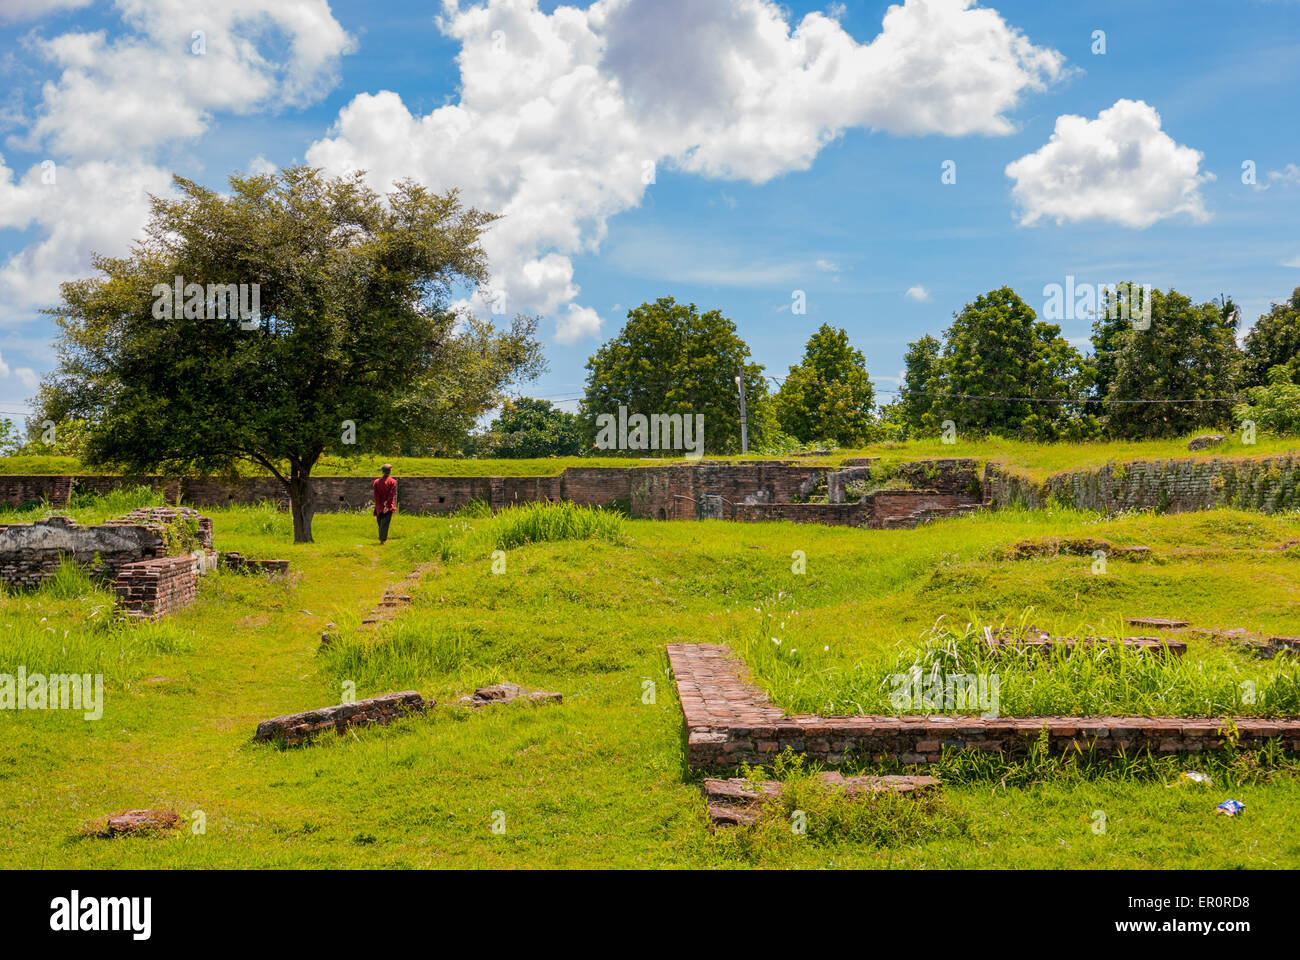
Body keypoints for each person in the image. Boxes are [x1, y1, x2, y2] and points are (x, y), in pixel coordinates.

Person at [373, 464, 397, 544]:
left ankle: (382, 539)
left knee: (380, 522)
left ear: (382, 471)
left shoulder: (376, 482)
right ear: (390, 471)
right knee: (385, 523)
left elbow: (376, 495)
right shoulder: (393, 482)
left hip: (379, 505)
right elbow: (391, 494)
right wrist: (387, 505)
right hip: (388, 506)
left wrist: (378, 505)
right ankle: (382, 540)